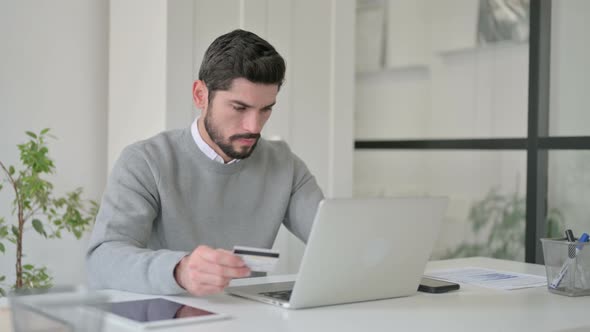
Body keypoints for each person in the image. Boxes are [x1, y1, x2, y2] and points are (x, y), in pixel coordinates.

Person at [86, 29, 324, 296]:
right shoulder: (144, 162)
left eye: (266, 109)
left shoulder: (285, 165)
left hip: (252, 317)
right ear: (200, 95)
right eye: (239, 108)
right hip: (167, 317)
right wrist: (179, 270)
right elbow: (102, 260)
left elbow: (334, 241)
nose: (254, 126)